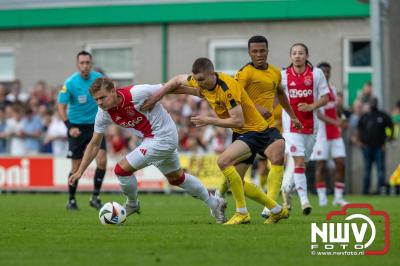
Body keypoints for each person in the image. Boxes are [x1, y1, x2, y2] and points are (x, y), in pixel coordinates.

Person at [142, 57, 298, 224]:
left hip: (255, 131)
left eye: (201, 80)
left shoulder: (227, 88)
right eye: (195, 80)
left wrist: (209, 120)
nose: (198, 83)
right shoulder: (200, 81)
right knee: (235, 181)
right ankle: (276, 210)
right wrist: (154, 99)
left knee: (223, 161)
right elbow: (176, 81)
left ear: (212, 74)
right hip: (241, 132)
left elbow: (238, 120)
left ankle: (242, 212)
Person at [68, 77, 226, 224]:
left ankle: (132, 204)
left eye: (102, 97)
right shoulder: (103, 114)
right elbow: (94, 144)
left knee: (121, 170)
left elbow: (168, 88)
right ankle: (215, 204)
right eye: (96, 100)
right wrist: (80, 171)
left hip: (163, 136)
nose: (100, 103)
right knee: (177, 178)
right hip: (153, 139)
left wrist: (196, 92)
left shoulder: (136, 93)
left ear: (112, 91)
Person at [218, 35, 299, 219]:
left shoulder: (275, 72)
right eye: (255, 51)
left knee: (278, 156)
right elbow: (234, 97)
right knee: (235, 179)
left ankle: (270, 208)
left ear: (268, 51)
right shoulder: (244, 73)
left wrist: (292, 116)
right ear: (249, 53)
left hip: (267, 128)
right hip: (246, 130)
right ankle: (219, 195)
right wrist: (256, 107)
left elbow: (281, 93)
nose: (259, 54)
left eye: (262, 51)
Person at [280, 43, 329, 215]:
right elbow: (276, 96)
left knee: (302, 164)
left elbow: (325, 97)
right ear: (290, 56)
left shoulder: (316, 74)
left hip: (311, 126)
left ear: (307, 55)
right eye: (294, 53)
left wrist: (311, 106)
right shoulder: (283, 75)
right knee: (299, 162)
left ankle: (286, 189)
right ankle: (305, 201)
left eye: (301, 53)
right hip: (291, 127)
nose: (297, 56)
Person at [57, 51, 107, 211]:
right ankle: (71, 199)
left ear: (91, 64)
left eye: (87, 62)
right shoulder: (70, 83)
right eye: (82, 63)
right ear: (77, 64)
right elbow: (61, 106)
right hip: (77, 127)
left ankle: (95, 197)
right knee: (76, 167)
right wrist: (69, 127)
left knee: (102, 160)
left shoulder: (99, 79)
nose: (85, 66)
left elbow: (108, 96)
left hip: (95, 126)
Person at [310, 62, 348, 207]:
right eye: (323, 71)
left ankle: (338, 197)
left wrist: (342, 118)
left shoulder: (332, 89)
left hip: (335, 134)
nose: (326, 74)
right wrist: (335, 122)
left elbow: (335, 109)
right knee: (321, 165)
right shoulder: (316, 90)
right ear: (319, 73)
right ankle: (322, 198)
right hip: (322, 134)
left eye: (328, 71)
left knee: (341, 163)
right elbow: (318, 113)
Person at [357, 97, 394, 195]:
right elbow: (359, 129)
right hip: (367, 147)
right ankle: (365, 192)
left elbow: (391, 125)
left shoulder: (382, 115)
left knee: (380, 170)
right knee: (367, 170)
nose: (373, 104)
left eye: (374, 103)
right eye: (371, 103)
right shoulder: (365, 116)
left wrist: (388, 139)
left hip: (379, 147)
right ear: (369, 104)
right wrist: (360, 141)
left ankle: (380, 191)